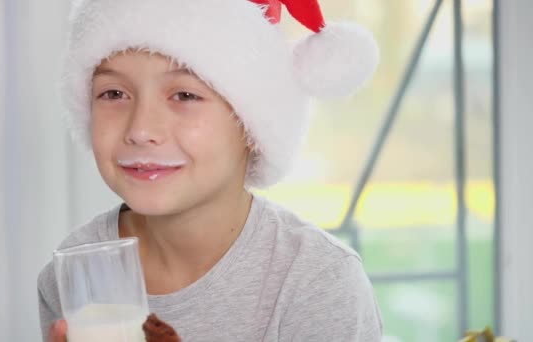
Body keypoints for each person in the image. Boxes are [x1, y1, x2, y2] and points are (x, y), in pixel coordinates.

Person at [38, 0, 382, 341]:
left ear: (252, 128)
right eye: (113, 93)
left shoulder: (316, 282)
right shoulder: (73, 279)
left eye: (185, 95)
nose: (141, 129)